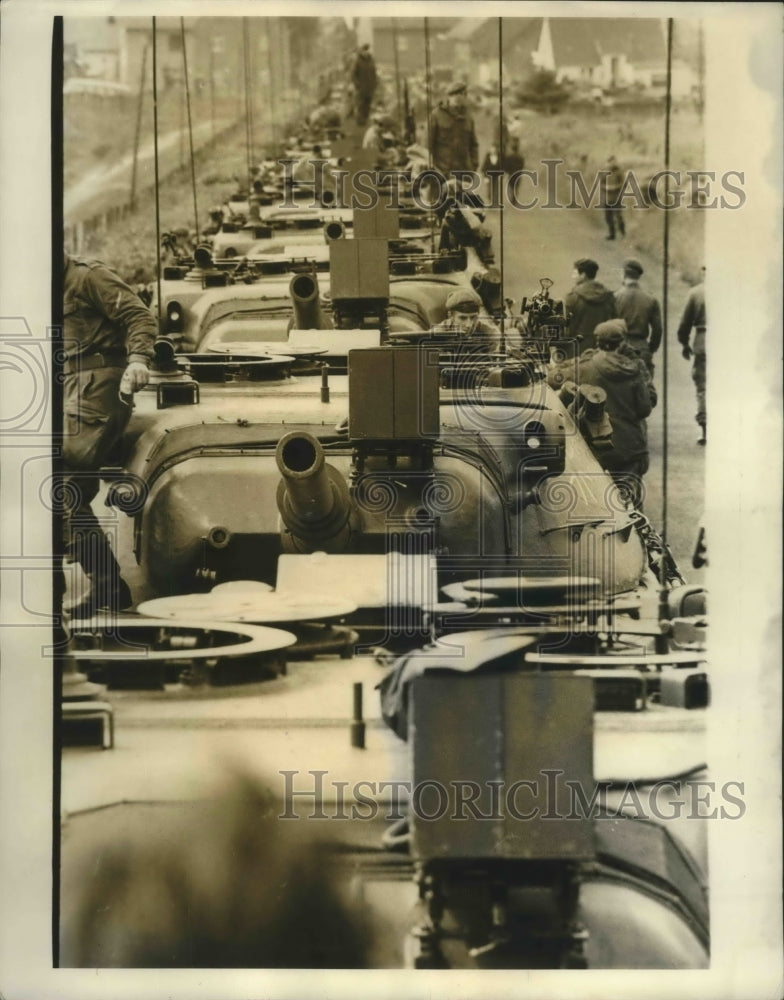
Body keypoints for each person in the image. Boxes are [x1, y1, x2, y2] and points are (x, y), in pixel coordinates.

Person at [62, 251, 157, 616]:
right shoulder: (44, 285)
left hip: (98, 387)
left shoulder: (88, 277)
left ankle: (105, 585)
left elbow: (137, 314)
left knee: (59, 480)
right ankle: (107, 587)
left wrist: (137, 360)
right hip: (70, 389)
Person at [577, 320, 653, 510]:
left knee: (594, 503)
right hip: (630, 447)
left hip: (597, 445)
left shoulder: (586, 367)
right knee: (632, 503)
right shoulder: (634, 369)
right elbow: (644, 408)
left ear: (597, 342)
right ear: (621, 343)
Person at [613, 258, 663, 377]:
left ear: (624, 274)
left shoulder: (615, 297)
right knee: (645, 390)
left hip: (620, 348)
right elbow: (658, 329)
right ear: (638, 276)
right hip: (641, 348)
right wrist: (650, 349)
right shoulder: (651, 299)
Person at [676, 265, 707, 445]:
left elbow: (684, 323)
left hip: (702, 340)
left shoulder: (696, 293)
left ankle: (705, 430)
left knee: (703, 387)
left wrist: (684, 343)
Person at [565, 257, 617, 352]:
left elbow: (567, 328)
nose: (572, 276)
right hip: (601, 349)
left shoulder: (573, 297)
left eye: (575, 273)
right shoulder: (608, 296)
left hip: (575, 350)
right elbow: (614, 321)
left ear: (583, 275)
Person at [431, 287, 501, 357]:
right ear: (450, 316)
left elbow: (499, 350)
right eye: (462, 318)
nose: (469, 325)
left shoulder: (489, 333)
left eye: (473, 318)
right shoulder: (438, 334)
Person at [430, 81, 479, 178]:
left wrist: (474, 164)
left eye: (462, 94)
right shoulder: (436, 115)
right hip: (441, 172)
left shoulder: (468, 117)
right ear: (448, 97)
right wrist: (432, 168)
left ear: (465, 97)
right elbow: (428, 144)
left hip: (464, 173)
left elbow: (473, 144)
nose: (458, 97)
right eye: (454, 94)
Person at [351, 44, 378, 127]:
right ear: (362, 51)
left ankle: (365, 120)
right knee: (360, 104)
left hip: (370, 87)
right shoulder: (358, 61)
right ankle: (360, 121)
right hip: (361, 87)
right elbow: (353, 74)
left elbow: (374, 73)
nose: (366, 52)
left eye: (367, 50)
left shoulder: (371, 61)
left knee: (368, 103)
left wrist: (375, 83)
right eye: (364, 50)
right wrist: (357, 84)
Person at [602, 155, 625, 240]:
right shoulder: (605, 173)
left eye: (613, 162)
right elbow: (602, 183)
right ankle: (612, 234)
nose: (611, 164)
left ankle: (623, 233)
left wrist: (615, 187)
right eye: (610, 162)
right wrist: (606, 187)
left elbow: (623, 184)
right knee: (608, 216)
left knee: (618, 216)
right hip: (608, 197)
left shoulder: (619, 172)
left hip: (616, 197)